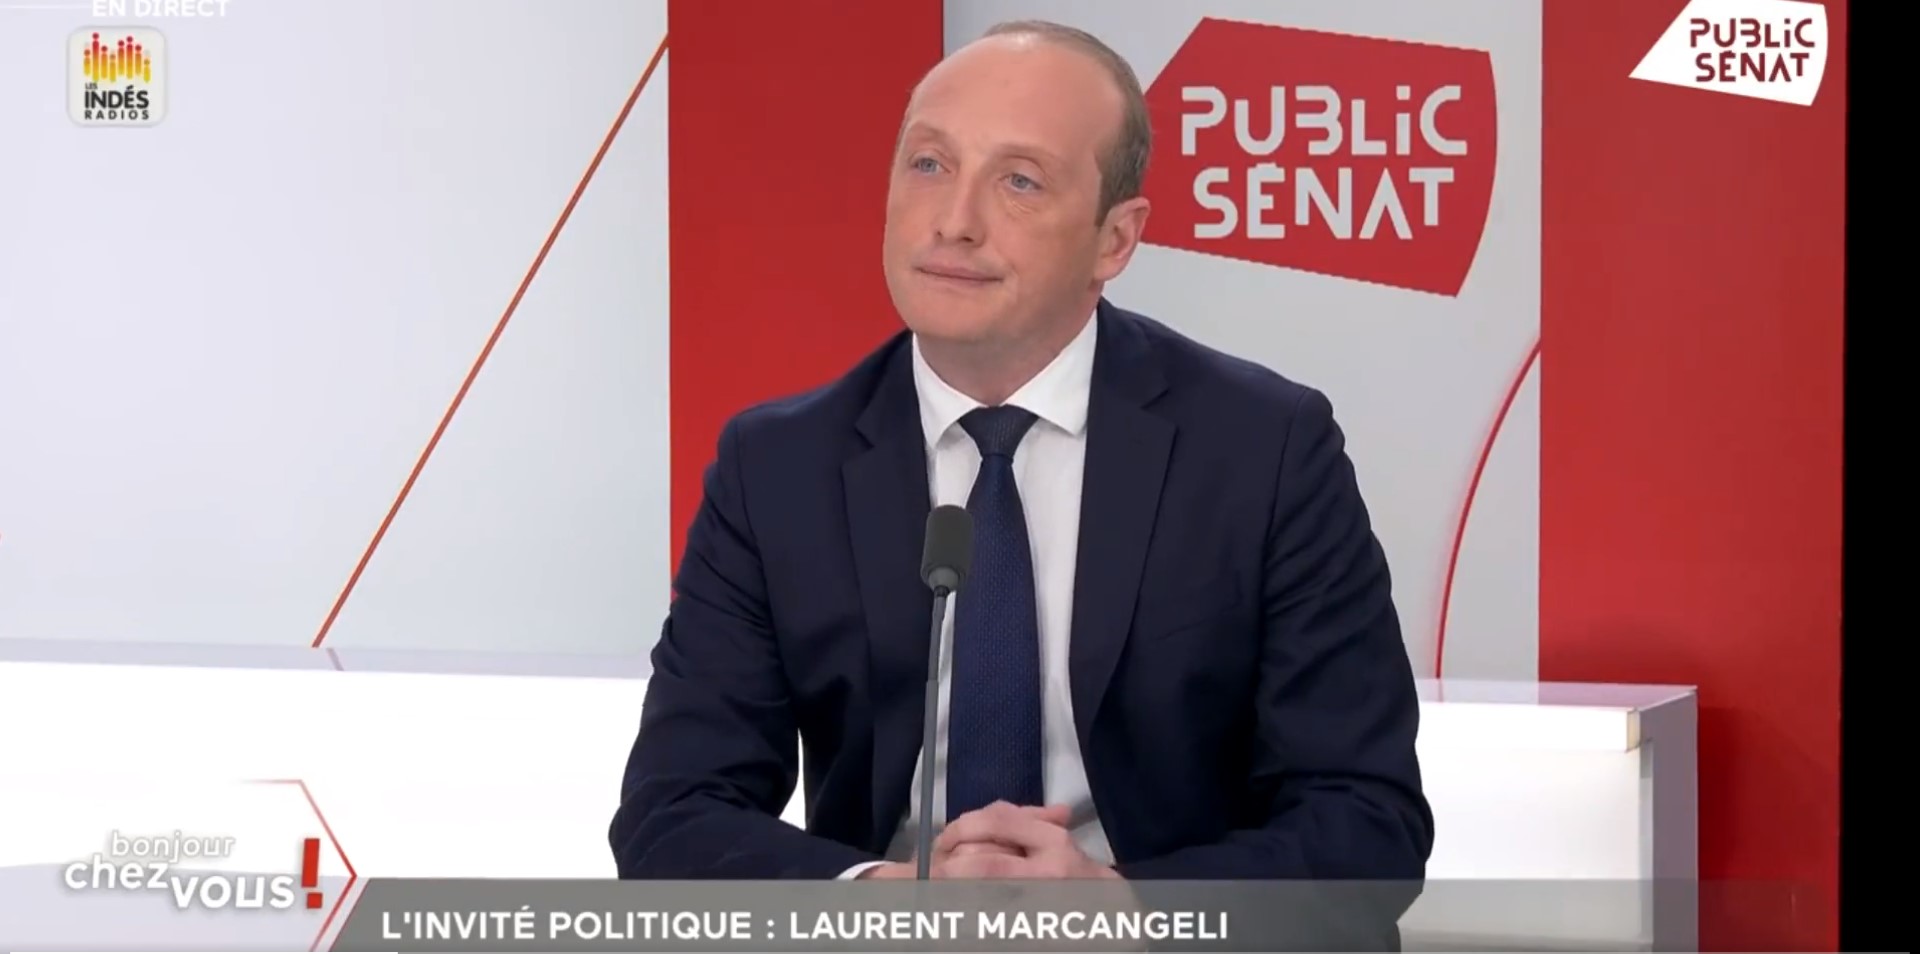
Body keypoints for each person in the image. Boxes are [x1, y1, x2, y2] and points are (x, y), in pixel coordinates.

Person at [610, 19, 1432, 892]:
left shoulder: (1265, 451)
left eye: (1020, 181)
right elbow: (672, 818)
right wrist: (884, 902)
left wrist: (1126, 910)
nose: (954, 223)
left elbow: (1366, 821)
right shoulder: (778, 468)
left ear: (1115, 240)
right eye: (929, 165)